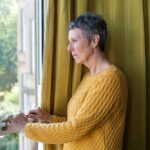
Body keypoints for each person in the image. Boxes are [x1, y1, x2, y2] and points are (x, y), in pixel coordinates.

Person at [1, 12, 128, 150]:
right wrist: (48, 118)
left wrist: (23, 128)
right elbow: (81, 124)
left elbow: (75, 129)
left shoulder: (111, 79)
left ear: (94, 41)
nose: (69, 48)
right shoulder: (88, 78)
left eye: (74, 41)